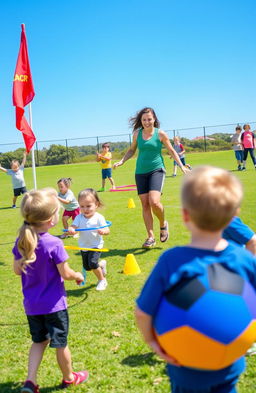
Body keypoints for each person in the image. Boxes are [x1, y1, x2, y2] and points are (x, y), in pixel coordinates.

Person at [135, 165, 256, 393]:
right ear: (234, 215)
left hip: (186, 367)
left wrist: (153, 343)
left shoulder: (171, 261)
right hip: (231, 363)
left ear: (185, 214)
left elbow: (143, 312)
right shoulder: (244, 259)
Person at [12, 188, 89, 393]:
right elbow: (66, 274)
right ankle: (69, 378)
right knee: (60, 343)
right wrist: (78, 276)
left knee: (39, 342)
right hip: (54, 306)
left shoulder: (22, 242)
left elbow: (17, 271)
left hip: (32, 306)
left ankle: (30, 381)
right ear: (51, 220)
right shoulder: (53, 243)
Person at [114, 107, 188, 248]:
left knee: (154, 202)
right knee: (145, 205)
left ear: (154, 119)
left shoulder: (160, 134)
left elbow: (171, 150)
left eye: (149, 119)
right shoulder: (136, 134)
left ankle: (163, 224)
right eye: (144, 120)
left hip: (157, 170)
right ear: (141, 121)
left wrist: (181, 166)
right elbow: (131, 150)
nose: (147, 122)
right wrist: (122, 161)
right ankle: (150, 237)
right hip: (140, 172)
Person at [68, 188, 109, 291]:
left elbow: (107, 229)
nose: (85, 209)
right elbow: (73, 226)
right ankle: (102, 265)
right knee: (87, 267)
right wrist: (71, 229)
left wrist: (103, 231)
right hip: (84, 246)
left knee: (92, 263)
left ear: (96, 204)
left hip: (96, 245)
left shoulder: (99, 217)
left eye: (88, 206)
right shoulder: (79, 217)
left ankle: (102, 280)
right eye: (82, 206)